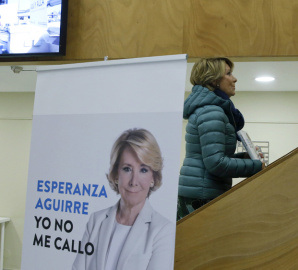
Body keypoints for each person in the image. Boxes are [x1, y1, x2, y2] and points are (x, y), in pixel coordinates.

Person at [73, 128, 175, 270]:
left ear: (153, 177)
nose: (134, 181)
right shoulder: (96, 221)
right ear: (115, 174)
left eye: (143, 170)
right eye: (127, 169)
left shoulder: (163, 230)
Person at [177, 57, 265, 220]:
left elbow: (213, 158)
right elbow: (216, 163)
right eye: (229, 73)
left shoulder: (210, 110)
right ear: (214, 80)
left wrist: (245, 158)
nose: (235, 78)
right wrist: (255, 166)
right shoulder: (212, 112)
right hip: (202, 195)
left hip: (200, 192)